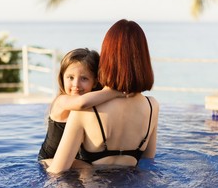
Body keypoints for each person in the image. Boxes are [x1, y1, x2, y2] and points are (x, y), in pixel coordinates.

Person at [43, 19, 159, 174]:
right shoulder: (152, 106)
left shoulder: (85, 110)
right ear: (143, 57)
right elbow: (147, 162)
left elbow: (57, 172)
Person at [38, 48, 127, 160]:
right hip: (49, 162)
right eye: (70, 77)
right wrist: (114, 92)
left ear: (94, 82)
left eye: (84, 79)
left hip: (72, 162)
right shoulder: (61, 101)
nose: (76, 84)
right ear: (62, 78)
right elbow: (82, 103)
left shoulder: (95, 105)